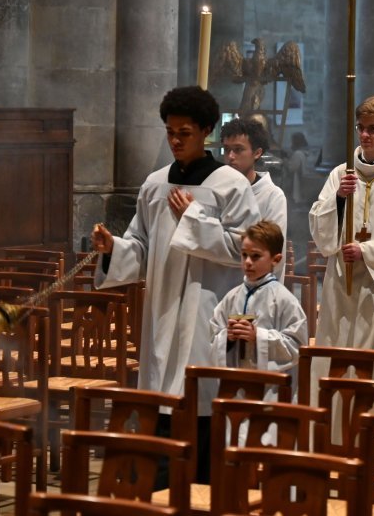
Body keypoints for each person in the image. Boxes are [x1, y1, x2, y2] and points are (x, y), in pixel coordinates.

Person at [91, 85, 260, 480]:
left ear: (205, 131)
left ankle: (199, 487)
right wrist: (112, 247)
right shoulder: (154, 185)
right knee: (162, 400)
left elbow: (246, 251)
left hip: (207, 307)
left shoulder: (230, 185)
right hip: (163, 308)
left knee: (200, 401)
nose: (175, 141)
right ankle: (161, 489)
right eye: (170, 132)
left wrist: (195, 221)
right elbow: (141, 245)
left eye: (184, 133)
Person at [308, 95, 374, 356]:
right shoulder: (341, 173)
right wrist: (338, 198)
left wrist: (367, 251)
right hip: (341, 281)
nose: (365, 135)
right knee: (338, 351)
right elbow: (317, 221)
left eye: (373, 129)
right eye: (361, 128)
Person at [211, 220, 307, 373]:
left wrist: (258, 336)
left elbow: (297, 346)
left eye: (256, 256)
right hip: (234, 383)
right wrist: (226, 338)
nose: (248, 262)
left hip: (271, 389)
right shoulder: (231, 297)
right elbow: (212, 336)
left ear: (276, 259)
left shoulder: (285, 300)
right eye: (244, 255)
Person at [221, 118, 289, 278]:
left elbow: (272, 252)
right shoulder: (216, 190)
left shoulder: (272, 196)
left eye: (238, 149)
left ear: (257, 153)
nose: (230, 156)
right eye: (226, 149)